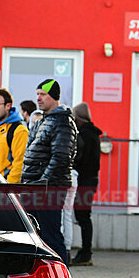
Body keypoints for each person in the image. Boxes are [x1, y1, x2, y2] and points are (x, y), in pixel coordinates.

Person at [21, 79, 77, 264]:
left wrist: (43, 181)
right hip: (33, 186)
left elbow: (61, 157)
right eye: (37, 94)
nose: (38, 98)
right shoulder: (42, 121)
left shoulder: (63, 122)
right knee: (35, 236)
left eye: (43, 94)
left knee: (51, 235)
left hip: (49, 188)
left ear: (54, 96)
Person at [71, 102, 102, 266]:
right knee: (83, 216)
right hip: (90, 179)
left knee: (82, 216)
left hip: (85, 180)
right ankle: (85, 251)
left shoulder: (84, 134)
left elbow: (82, 158)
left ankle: (86, 253)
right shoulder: (92, 134)